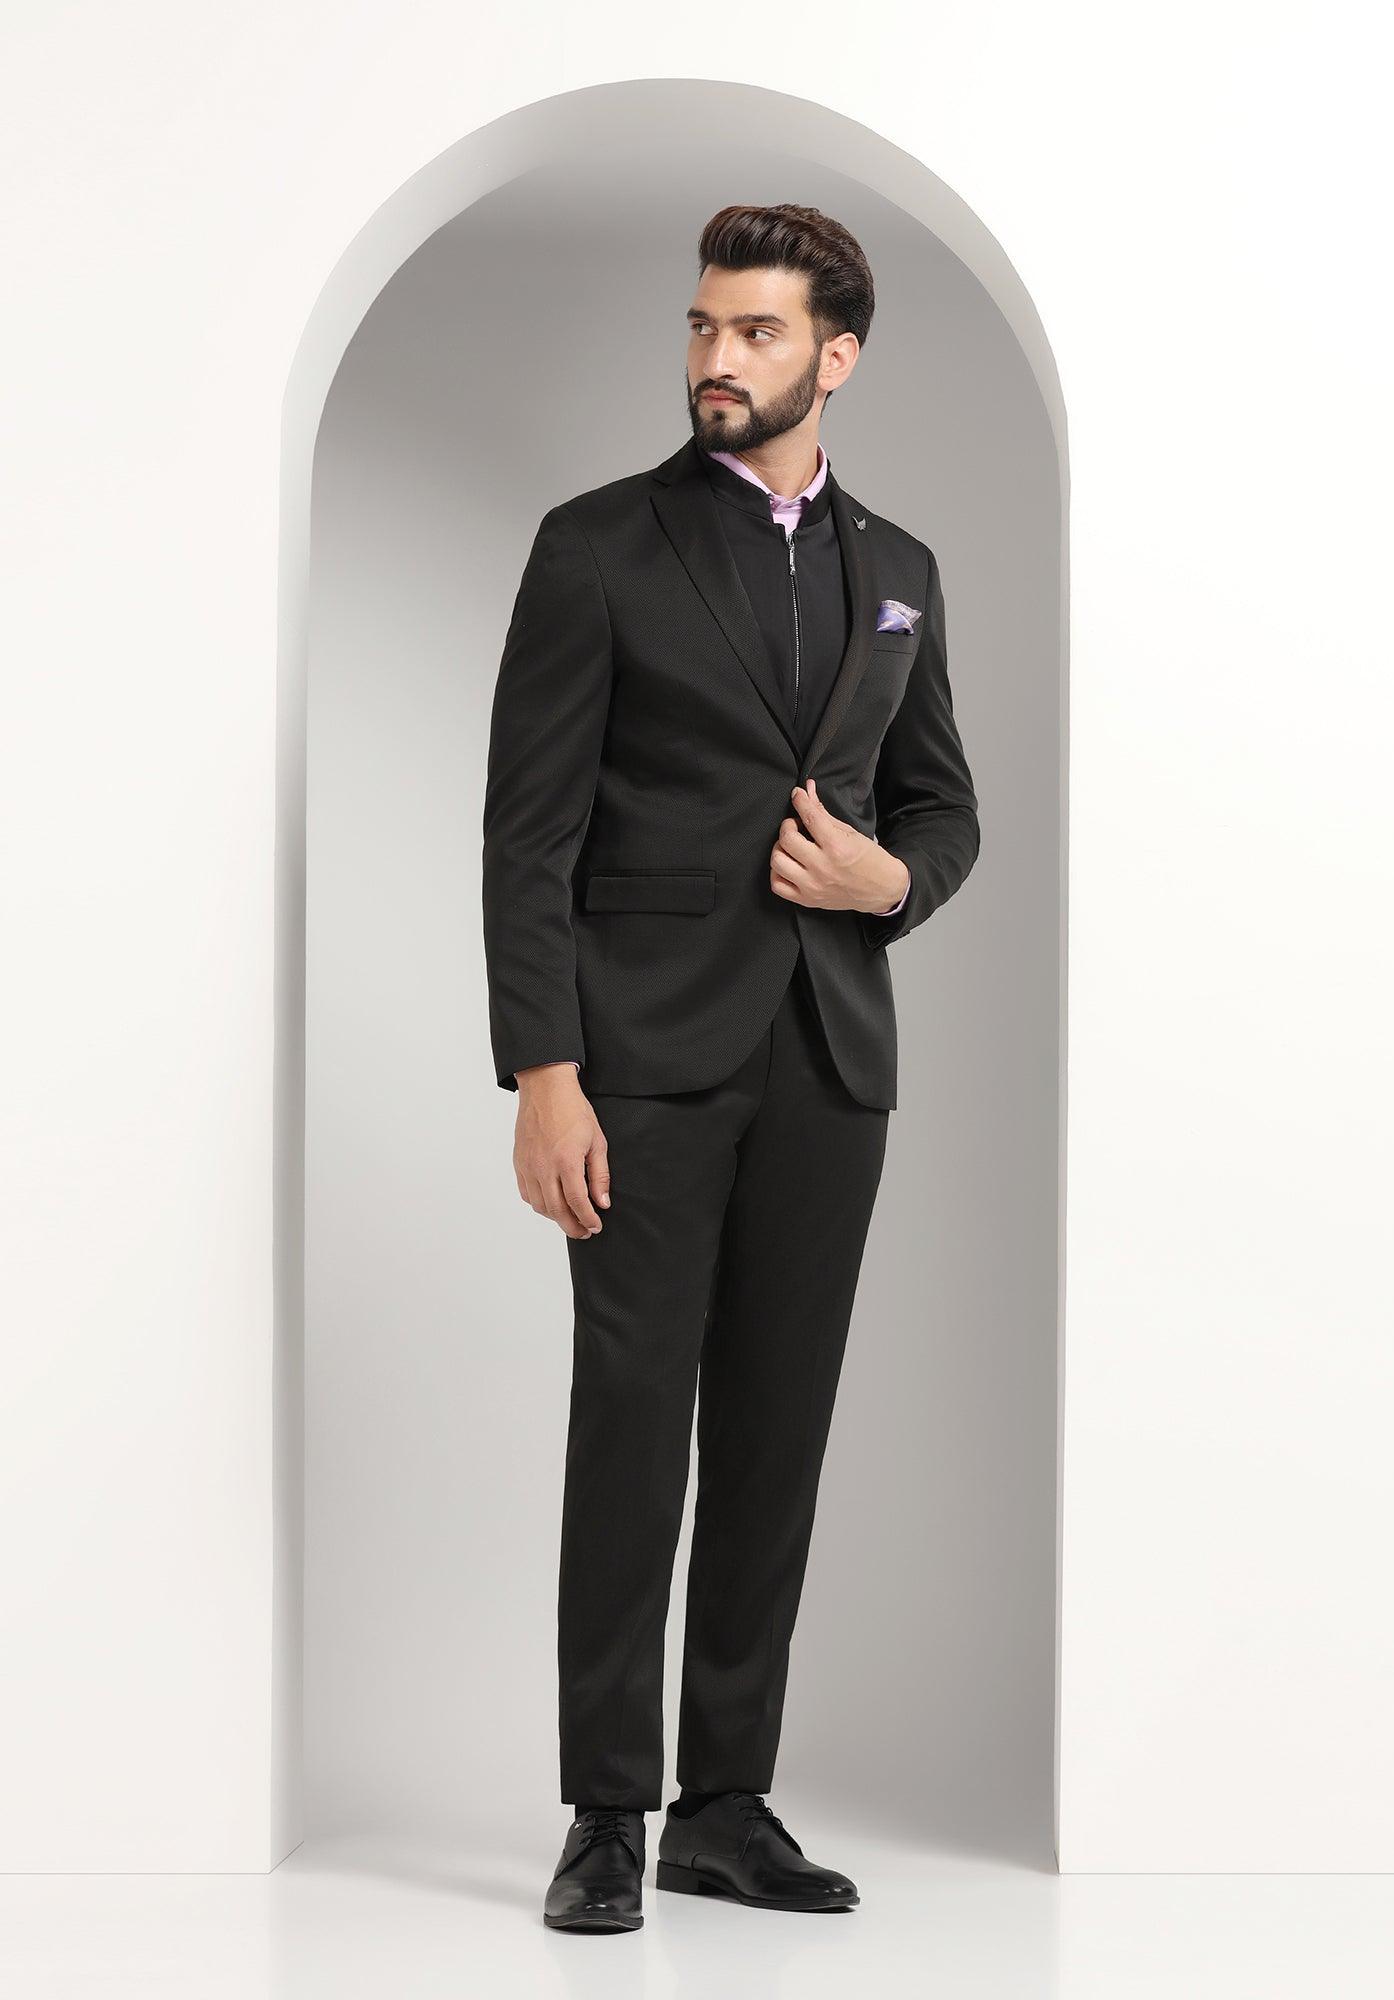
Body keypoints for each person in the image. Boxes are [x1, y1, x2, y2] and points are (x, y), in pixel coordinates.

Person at [481, 202, 980, 1933]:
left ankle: (724, 1804)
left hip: (830, 1060)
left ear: (836, 356)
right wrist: (544, 1070)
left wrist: (887, 884)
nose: (715, 357)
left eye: (754, 331)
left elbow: (944, 806)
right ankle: (606, 1812)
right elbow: (527, 835)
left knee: (777, 1435)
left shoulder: (901, 568)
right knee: (632, 1422)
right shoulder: (595, 546)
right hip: (637, 1063)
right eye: (702, 325)